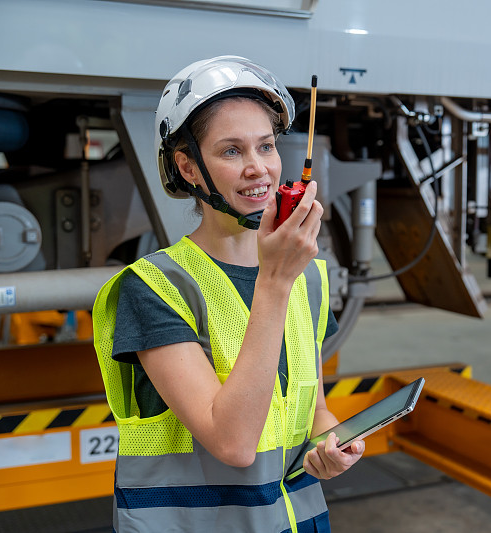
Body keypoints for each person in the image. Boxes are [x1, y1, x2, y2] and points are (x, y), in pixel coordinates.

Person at [93, 56, 364, 533]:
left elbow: (312, 407)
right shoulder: (155, 288)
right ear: (189, 169)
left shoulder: (309, 277)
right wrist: (275, 282)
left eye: (266, 146)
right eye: (232, 151)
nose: (259, 169)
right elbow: (234, 443)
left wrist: (332, 443)